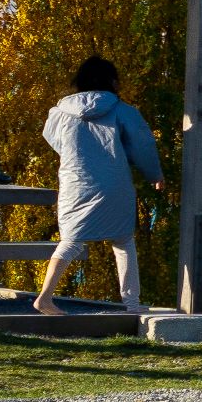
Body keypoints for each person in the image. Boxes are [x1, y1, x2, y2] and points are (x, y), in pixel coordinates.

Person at [33, 55, 164, 314]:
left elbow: (53, 139)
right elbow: (143, 145)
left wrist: (77, 154)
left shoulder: (59, 112)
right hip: (114, 184)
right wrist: (154, 174)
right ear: (113, 82)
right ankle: (132, 304)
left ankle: (45, 297)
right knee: (123, 241)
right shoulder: (123, 111)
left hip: (75, 183)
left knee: (71, 241)